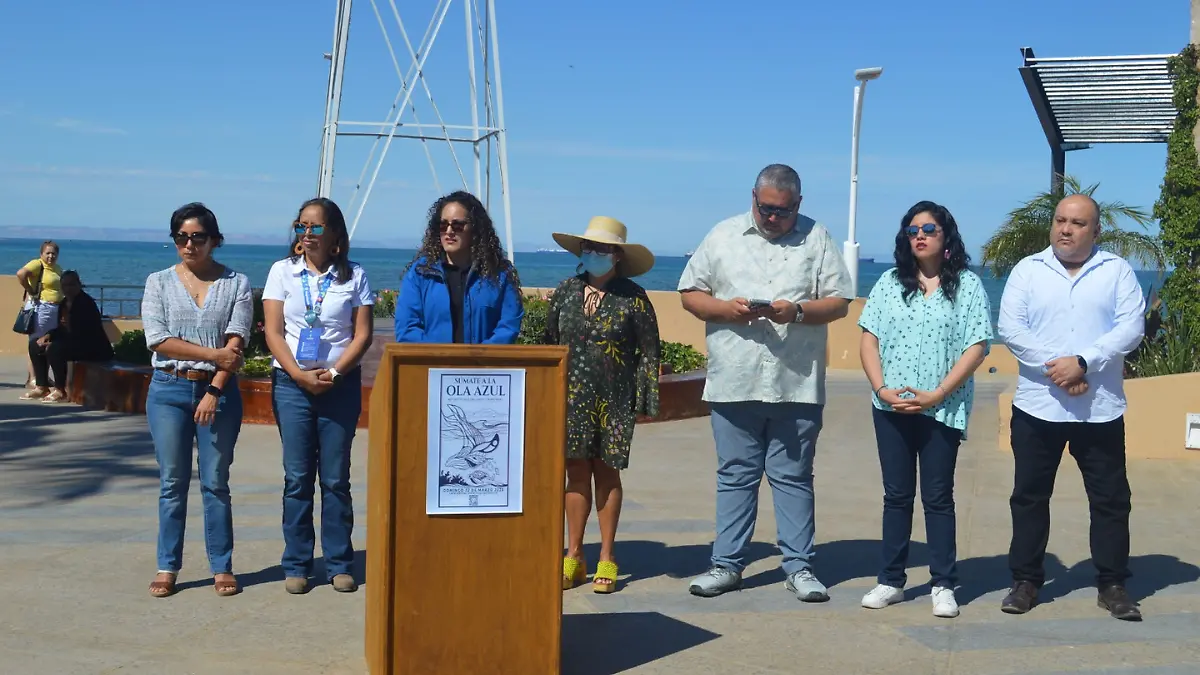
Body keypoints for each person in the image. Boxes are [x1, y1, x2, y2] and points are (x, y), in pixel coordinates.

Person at [678, 163, 853, 601]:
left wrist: (795, 311)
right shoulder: (722, 235)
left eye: (783, 211)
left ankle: (799, 567)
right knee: (735, 475)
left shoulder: (818, 238)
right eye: (766, 208)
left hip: (796, 383)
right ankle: (726, 565)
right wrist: (727, 310)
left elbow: (839, 302)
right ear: (753, 197)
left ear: (799, 204)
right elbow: (690, 293)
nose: (773, 218)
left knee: (793, 477)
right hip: (734, 379)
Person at [996, 193, 1146, 621]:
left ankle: (1113, 584)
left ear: (1095, 231)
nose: (1065, 229)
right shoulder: (1028, 271)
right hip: (1038, 407)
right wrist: (1059, 371)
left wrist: (1083, 364)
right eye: (1060, 220)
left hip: (1099, 410)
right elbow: (1012, 329)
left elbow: (1130, 327)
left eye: (1077, 223)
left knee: (1111, 499)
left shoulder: (1115, 271)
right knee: (1028, 497)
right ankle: (1025, 581)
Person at [856, 201, 993, 618]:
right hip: (890, 408)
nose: (920, 235)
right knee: (896, 497)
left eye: (929, 229)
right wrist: (881, 388)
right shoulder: (888, 283)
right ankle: (890, 581)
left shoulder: (967, 286)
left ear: (946, 237)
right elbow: (868, 338)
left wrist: (938, 393)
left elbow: (977, 345)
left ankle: (943, 583)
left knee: (938, 497)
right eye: (913, 229)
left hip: (942, 409)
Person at [262, 197, 375, 595]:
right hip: (292, 386)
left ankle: (339, 563)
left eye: (315, 228)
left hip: (338, 387)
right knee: (297, 479)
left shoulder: (355, 275)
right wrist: (298, 374)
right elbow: (273, 332)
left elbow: (362, 335)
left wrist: (335, 371)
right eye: (301, 227)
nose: (307, 234)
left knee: (334, 479)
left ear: (335, 237)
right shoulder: (282, 272)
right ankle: (296, 563)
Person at [141, 203, 253, 598]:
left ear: (214, 240)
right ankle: (167, 565)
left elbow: (235, 345)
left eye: (198, 237)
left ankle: (221, 566)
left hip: (218, 393)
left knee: (215, 482)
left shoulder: (236, 283)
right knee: (172, 482)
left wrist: (214, 387)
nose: (189, 245)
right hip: (168, 389)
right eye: (181, 237)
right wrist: (212, 355)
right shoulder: (158, 282)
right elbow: (157, 339)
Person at [545, 216, 661, 594]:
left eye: (603, 249)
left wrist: (645, 399)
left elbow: (649, 352)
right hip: (571, 398)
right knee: (575, 474)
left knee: (607, 475)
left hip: (615, 399)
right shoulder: (565, 292)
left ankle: (607, 558)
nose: (594, 254)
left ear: (617, 256)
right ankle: (574, 556)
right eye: (589, 248)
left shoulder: (634, 298)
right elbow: (549, 344)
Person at [395, 191, 524, 344]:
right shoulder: (420, 274)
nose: (449, 231)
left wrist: (477, 359)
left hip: (484, 366)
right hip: (432, 366)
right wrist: (440, 359)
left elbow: (508, 326)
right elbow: (407, 328)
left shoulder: (499, 274)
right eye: (443, 225)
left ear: (475, 229)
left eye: (457, 225)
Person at [30, 271, 115, 398]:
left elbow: (83, 332)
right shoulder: (64, 303)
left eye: (71, 285)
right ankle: (42, 386)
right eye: (64, 286)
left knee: (55, 348)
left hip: (91, 347)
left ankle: (60, 389)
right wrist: (48, 335)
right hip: (72, 342)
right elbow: (61, 328)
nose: (68, 289)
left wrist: (54, 342)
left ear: (79, 285)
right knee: (35, 344)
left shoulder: (86, 303)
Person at [17, 241, 65, 401]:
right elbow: (20, 274)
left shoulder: (57, 269)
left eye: (54, 253)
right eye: (48, 253)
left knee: (47, 345)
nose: (51, 256)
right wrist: (31, 290)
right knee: (36, 344)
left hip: (54, 310)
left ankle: (42, 382)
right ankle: (38, 382)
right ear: (41, 254)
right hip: (42, 309)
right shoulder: (38, 264)